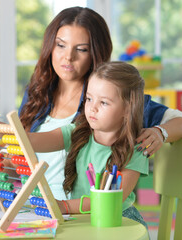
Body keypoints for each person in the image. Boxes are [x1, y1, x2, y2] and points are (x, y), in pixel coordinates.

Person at [0, 6, 182, 204]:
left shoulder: (111, 99)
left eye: (81, 49)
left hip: (81, 212)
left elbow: (181, 122)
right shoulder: (37, 95)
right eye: (60, 45)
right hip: (35, 209)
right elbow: (20, 154)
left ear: (95, 53)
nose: (68, 57)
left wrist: (160, 132)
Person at [28, 61, 149, 227]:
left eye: (104, 102)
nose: (93, 108)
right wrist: (1, 132)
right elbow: (33, 141)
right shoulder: (78, 133)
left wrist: (64, 206)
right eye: (89, 99)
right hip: (81, 219)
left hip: (117, 221)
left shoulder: (136, 149)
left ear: (128, 109)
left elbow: (113, 199)